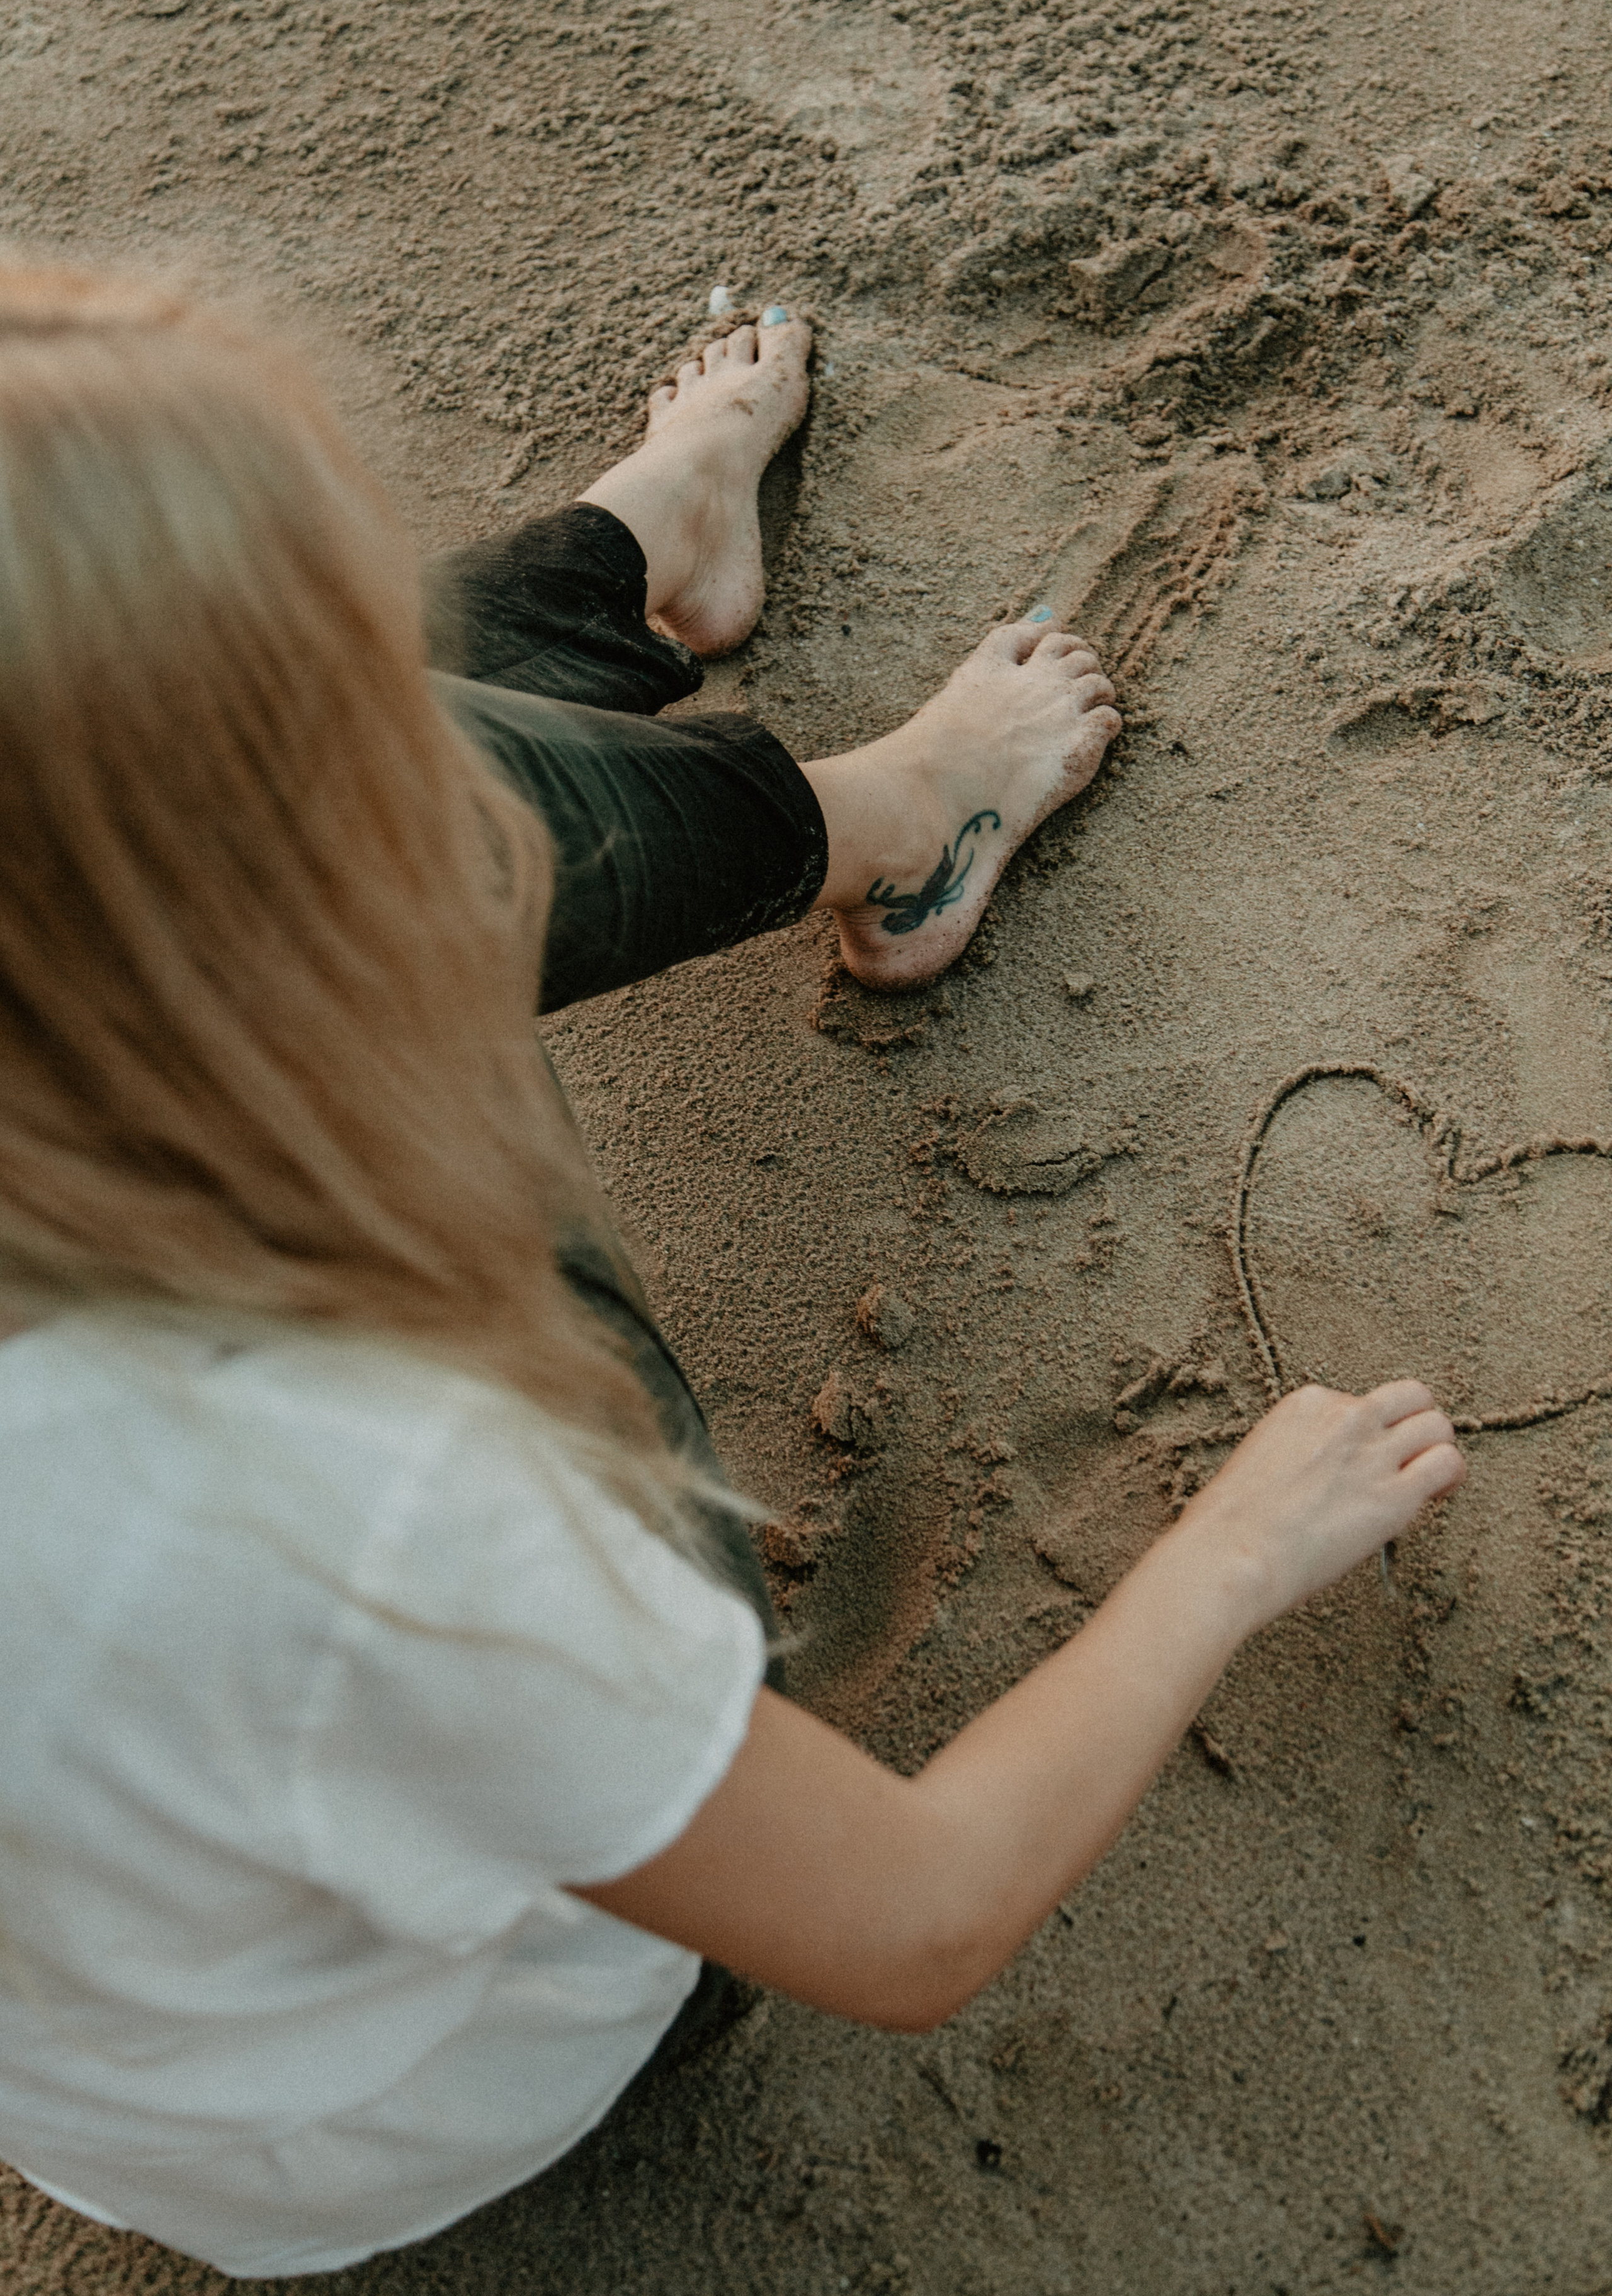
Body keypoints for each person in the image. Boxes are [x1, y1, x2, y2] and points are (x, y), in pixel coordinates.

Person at [0, 266, 1466, 2280]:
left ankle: (635, 564)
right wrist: (1234, 1546)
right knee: (437, 860)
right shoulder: (359, 1493)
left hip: (148, 2056)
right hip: (468, 2068)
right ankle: (869, 806)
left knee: (217, 774)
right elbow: (916, 1915)